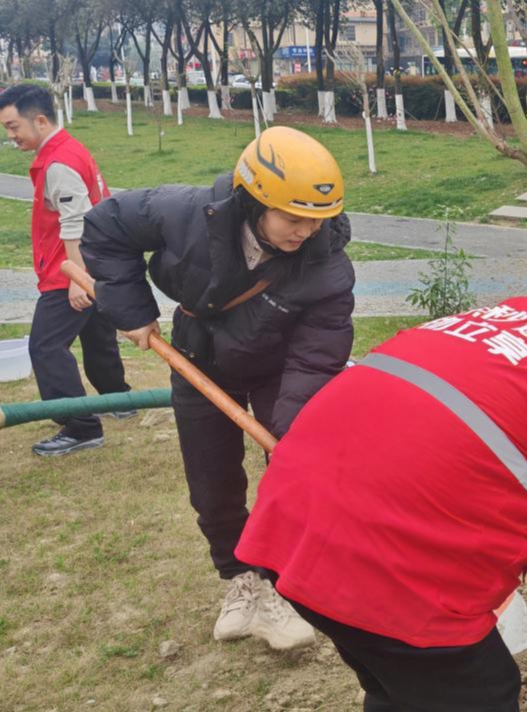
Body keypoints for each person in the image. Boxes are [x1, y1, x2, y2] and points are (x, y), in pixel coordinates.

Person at [235, 261, 527, 711]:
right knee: (480, 691)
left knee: (399, 686)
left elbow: (444, 457)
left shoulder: (453, 329)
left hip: (290, 536)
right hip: (382, 572)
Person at [80, 127, 356, 651]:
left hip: (281, 369)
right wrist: (133, 312)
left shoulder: (327, 268)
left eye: (316, 219)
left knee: (293, 473)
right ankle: (240, 581)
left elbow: (315, 357)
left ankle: (279, 585)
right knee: (212, 481)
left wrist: (293, 434)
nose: (306, 230)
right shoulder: (185, 212)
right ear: (254, 200)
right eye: (293, 218)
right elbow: (105, 226)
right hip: (198, 360)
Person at [0, 84, 134, 457]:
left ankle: (80, 426)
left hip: (69, 273)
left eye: (13, 127)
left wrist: (78, 278)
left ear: (40, 120)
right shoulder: (68, 150)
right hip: (88, 266)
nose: (10, 136)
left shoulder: (59, 163)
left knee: (45, 347)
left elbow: (78, 222)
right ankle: (119, 398)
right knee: (96, 335)